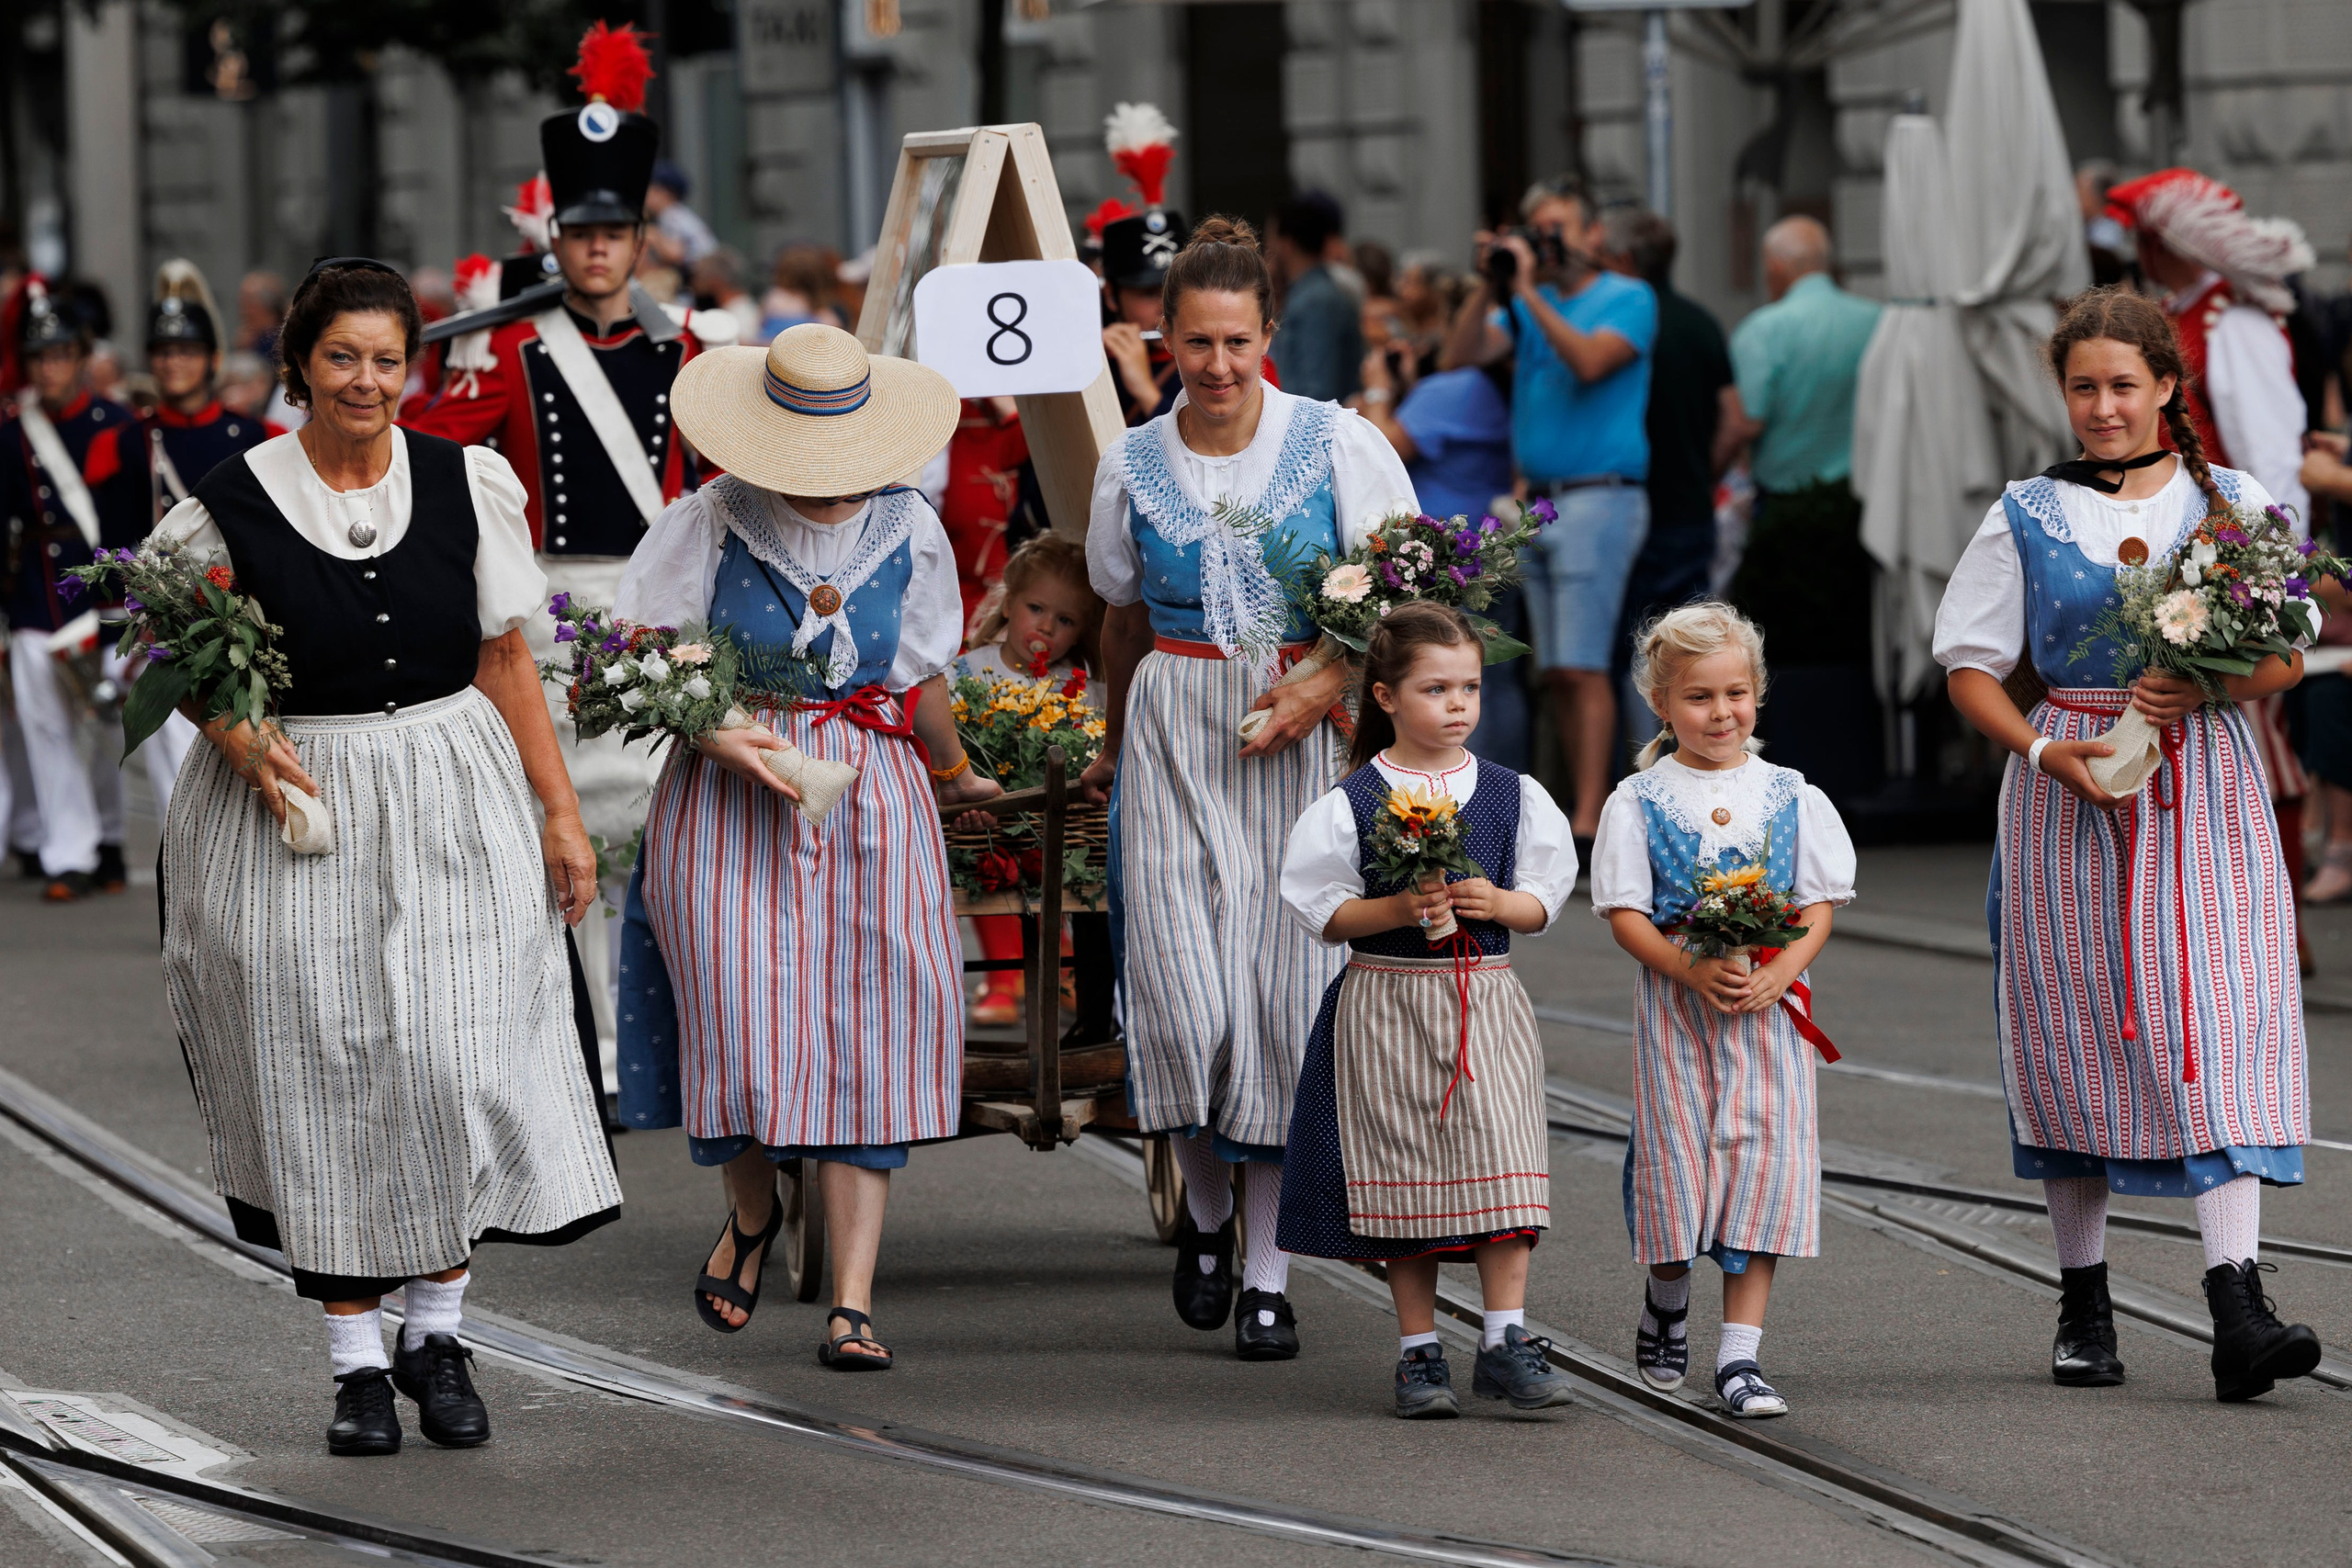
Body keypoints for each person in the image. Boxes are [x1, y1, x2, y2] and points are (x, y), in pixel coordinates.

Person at [152, 259, 623, 1457]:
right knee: (326, 1072)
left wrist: (559, 813)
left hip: (452, 788)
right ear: (302, 363)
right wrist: (241, 734)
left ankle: (440, 1327)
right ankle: (359, 1362)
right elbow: (167, 639)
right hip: (296, 805)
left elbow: (507, 656)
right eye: (344, 356)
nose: (367, 380)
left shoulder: (467, 480)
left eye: (387, 359)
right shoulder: (232, 495)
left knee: (450, 1057)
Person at [1934, 286, 2322, 1403]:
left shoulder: (2230, 500)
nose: (2101, 407)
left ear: (2165, 387)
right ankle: (2084, 1301)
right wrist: (2045, 753)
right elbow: (1968, 664)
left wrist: (2198, 678)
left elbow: (2285, 657)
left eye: (2121, 385)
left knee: (2214, 1004)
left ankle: (2236, 1302)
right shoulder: (2024, 510)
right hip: (2070, 774)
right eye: (2082, 387)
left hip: (2200, 772)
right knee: (2075, 1018)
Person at [612, 322, 999, 1368]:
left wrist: (958, 775)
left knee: (869, 1027)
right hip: (732, 792)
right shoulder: (710, 521)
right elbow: (642, 656)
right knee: (733, 1019)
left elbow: (918, 678)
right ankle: (751, 1215)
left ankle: (854, 1302)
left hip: (872, 792)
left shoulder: (909, 528)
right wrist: (716, 726)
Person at [1083, 216, 1417, 1360]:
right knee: (1180, 1002)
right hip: (1177, 725)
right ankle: (1210, 1221)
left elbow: (1405, 593)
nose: (1217, 366)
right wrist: (1110, 743)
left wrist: (1328, 674)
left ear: (1269, 334)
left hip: (1303, 737)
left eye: (1237, 342)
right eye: (1195, 343)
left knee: (1278, 1007)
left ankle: (1268, 1275)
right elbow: (1118, 604)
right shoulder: (1128, 458)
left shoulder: (1336, 442)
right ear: (1160, 337)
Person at [406, 22, 725, 1066]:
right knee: (565, 836)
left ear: (641, 241)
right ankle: (586, 1053)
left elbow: (722, 485)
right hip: (545, 617)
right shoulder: (501, 346)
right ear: (556, 240)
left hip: (655, 610)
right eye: (581, 233)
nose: (598, 250)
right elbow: (434, 458)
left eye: (616, 232)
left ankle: (663, 1047)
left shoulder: (687, 349)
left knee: (661, 835)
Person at [1274, 603, 1577, 1417]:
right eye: (1436, 687)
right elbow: (1321, 908)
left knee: (1505, 1162)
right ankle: (1418, 1351)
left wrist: (1502, 901)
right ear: (1384, 697)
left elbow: (1548, 894)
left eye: (1470, 687)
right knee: (1402, 1175)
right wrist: (1401, 907)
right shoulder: (1353, 798)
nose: (1458, 705)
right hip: (1387, 1001)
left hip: (1486, 1000)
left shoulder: (1514, 793)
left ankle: (1505, 1339)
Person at [1591, 602, 1854, 1418]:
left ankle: (1741, 1356)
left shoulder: (1789, 793)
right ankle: (1668, 1292)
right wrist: (1685, 966)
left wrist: (1784, 975)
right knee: (1678, 1163)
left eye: (1735, 693)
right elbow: (1626, 910)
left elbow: (1817, 904)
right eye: (1699, 697)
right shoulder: (1638, 799)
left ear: (1758, 694)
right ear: (1662, 704)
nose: (1721, 712)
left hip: (1769, 1008)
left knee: (1761, 1165)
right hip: (1681, 1007)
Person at [2104, 168, 2318, 968]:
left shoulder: (2233, 325)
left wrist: (2270, 567)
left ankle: (2276, 927)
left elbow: (2269, 462)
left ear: (2161, 239)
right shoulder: (2182, 318)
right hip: (2177, 553)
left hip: (2226, 560)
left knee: (2261, 736)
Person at [1442, 177, 1657, 847]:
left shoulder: (1630, 296)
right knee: (1555, 669)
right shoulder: (1526, 302)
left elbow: (1592, 362)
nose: (1546, 242)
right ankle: (1577, 806)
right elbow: (1457, 359)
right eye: (1536, 231)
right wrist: (1491, 283)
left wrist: (1529, 291)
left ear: (1593, 234)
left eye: (1557, 228)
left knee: (1581, 665)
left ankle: (1592, 817)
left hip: (1602, 495)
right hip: (1536, 504)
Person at [0, 276, 156, 900]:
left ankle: (109, 841)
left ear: (82, 356)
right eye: (41, 357)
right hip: (38, 597)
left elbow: (134, 524)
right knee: (48, 728)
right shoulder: (12, 432)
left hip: (108, 597)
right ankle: (71, 854)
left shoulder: (116, 423)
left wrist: (131, 604)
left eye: (62, 354)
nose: (52, 368)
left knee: (107, 728)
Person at [1349, 325, 1526, 770]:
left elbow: (1379, 445)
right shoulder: (1506, 393)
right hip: (1491, 549)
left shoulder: (1456, 388)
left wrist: (1379, 387)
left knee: (1437, 677)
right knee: (1488, 680)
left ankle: (1444, 779)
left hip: (1440, 563)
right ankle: (1492, 783)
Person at [956, 533, 1105, 1024]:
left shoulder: (1078, 685)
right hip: (985, 824)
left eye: (1065, 620)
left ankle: (1065, 978)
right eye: (1036, 609)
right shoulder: (966, 673)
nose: (1046, 628)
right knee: (986, 858)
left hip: (1058, 831)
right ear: (1008, 604)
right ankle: (1006, 979)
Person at [1721, 217, 1882, 672]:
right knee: (1854, 645)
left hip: (1784, 513)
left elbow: (1746, 421)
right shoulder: (1877, 320)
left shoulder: (1764, 328)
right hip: (1861, 507)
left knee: (1782, 653)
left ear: (1775, 266)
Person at [1603, 210, 1736, 751]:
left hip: (1631, 504)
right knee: (1695, 645)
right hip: (1689, 505)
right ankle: (1692, 762)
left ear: (1626, 262)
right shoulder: (1701, 322)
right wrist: (1707, 473)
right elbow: (1736, 416)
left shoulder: (1619, 324)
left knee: (1636, 650)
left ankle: (1646, 769)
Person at [141, 259, 274, 510]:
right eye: (163, 352)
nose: (173, 363)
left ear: (214, 359)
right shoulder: (123, 441)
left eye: (187, 352)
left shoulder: (258, 435)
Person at [1266, 197, 1363, 405]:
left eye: (1272, 238)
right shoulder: (1310, 294)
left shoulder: (1317, 300)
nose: (1270, 247)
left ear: (1287, 243)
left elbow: (1317, 390)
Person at [644, 160, 718, 270]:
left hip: (706, 271)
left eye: (651, 189)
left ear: (666, 193)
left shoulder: (672, 215)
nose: (647, 195)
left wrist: (653, 236)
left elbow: (675, 254)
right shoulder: (675, 213)